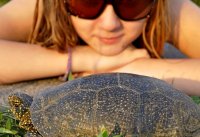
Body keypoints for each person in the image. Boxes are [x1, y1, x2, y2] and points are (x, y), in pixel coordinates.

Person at [0, 0, 200, 96]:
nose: (110, 24)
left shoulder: (169, 7)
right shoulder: (42, 4)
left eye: (132, 4)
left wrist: (141, 70)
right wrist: (83, 58)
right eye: (88, 3)